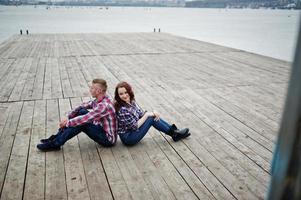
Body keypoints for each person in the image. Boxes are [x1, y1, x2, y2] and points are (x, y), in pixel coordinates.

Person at [37, 79, 117, 151]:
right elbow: (83, 106)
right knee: (80, 111)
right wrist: (69, 116)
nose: (90, 90)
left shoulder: (104, 106)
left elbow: (85, 118)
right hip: (99, 127)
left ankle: (55, 144)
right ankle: (56, 138)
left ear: (98, 91)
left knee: (82, 123)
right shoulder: (101, 98)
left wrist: (68, 122)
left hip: (107, 139)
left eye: (92, 88)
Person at [114, 81, 190, 146]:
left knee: (152, 116)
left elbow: (141, 114)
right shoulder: (122, 109)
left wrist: (153, 112)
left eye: (126, 92)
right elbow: (135, 126)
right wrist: (148, 114)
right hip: (129, 138)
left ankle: (175, 132)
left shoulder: (131, 101)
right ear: (118, 95)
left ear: (129, 91)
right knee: (150, 118)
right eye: (121, 94)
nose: (124, 95)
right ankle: (175, 134)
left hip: (133, 132)